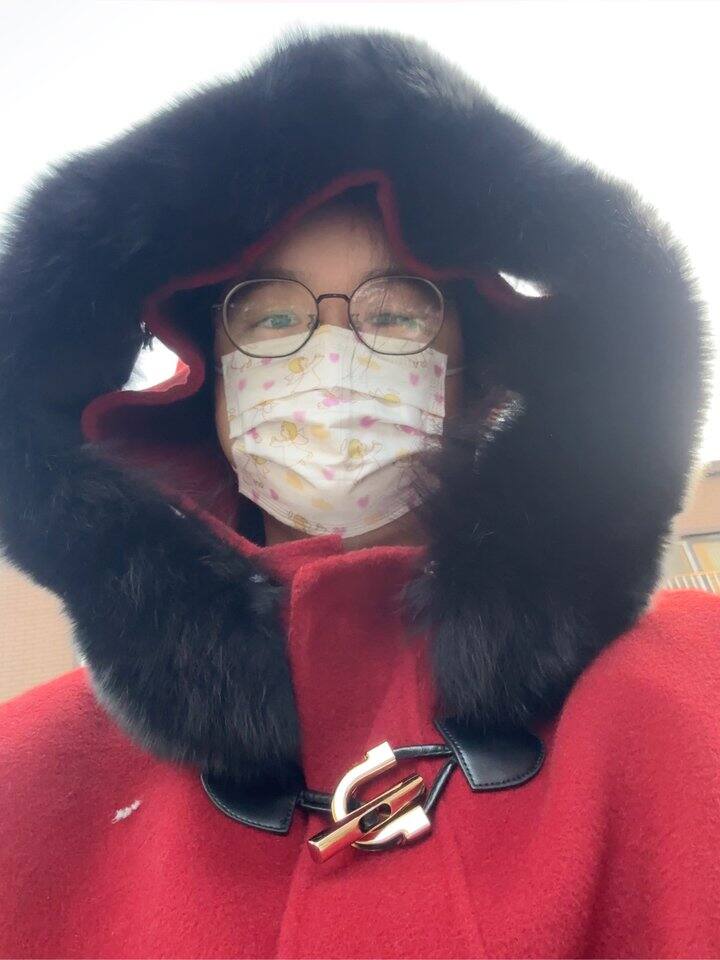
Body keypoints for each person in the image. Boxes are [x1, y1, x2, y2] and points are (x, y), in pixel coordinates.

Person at [1, 24, 719, 960]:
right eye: (271, 317)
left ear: (472, 378)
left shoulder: (696, 695)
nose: (332, 357)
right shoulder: (24, 783)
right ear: (207, 384)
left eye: (393, 311)